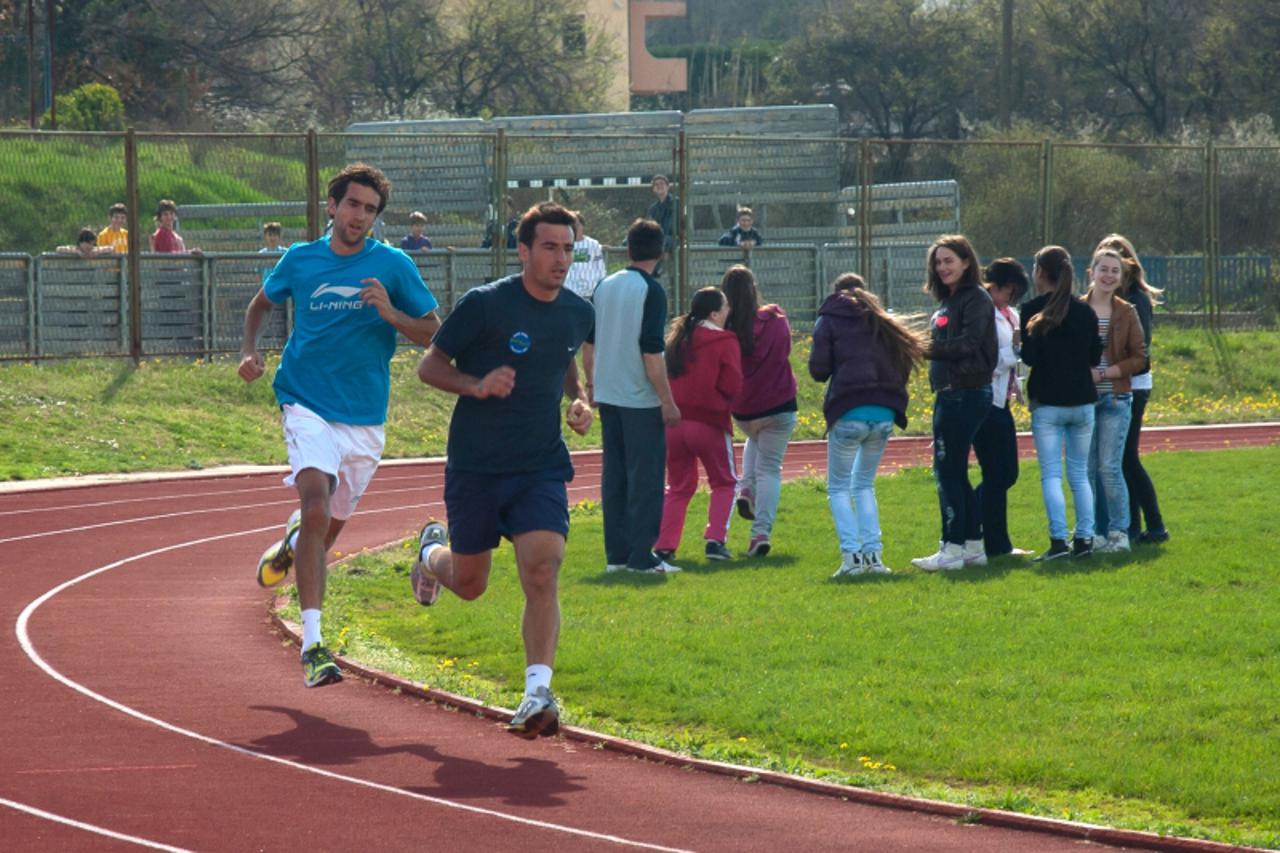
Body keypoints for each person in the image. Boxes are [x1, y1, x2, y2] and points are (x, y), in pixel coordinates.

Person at [238, 163, 441, 688]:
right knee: (314, 502)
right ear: (332, 206)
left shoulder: (393, 266)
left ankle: (292, 545)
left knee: (323, 533)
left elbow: (435, 336)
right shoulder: (301, 260)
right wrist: (249, 351)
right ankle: (313, 645)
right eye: (352, 205)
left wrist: (392, 314)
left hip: (364, 419)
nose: (359, 217)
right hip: (305, 400)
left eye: (370, 210)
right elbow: (261, 303)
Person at [412, 202, 594, 740]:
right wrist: (476, 384)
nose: (561, 259)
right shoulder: (484, 305)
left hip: (538, 464)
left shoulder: (579, 312)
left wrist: (579, 401)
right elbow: (429, 366)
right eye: (550, 247)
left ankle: (538, 692)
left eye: (568, 248)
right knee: (470, 585)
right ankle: (428, 553)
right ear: (523, 250)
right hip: (476, 466)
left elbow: (562, 360)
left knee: (543, 570)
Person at [581, 218, 681, 574]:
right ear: (662, 253)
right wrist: (667, 400)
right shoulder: (651, 291)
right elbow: (652, 351)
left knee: (616, 477)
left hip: (608, 392)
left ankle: (617, 556)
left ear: (627, 249)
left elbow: (589, 342)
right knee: (647, 477)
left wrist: (592, 384)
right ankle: (642, 556)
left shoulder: (605, 285)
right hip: (639, 396)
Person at [809, 274, 924, 577]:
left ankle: (852, 558)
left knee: (838, 488)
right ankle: (874, 556)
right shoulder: (881, 320)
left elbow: (818, 370)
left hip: (849, 408)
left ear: (836, 294)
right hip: (884, 411)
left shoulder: (829, 319)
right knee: (864, 485)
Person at [911, 235, 997, 572]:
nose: (942, 267)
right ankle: (973, 547)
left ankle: (951, 548)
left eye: (949, 260)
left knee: (946, 471)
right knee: (956, 471)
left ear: (966, 262)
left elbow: (969, 343)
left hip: (963, 393)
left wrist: (923, 347)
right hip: (955, 392)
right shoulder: (951, 300)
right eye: (938, 261)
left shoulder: (975, 298)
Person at [1019, 245, 1102, 561]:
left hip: (1048, 401)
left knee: (1051, 474)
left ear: (1040, 273)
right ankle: (1085, 539)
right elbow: (1095, 355)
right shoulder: (1085, 311)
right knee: (1079, 475)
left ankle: (1058, 541)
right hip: (1082, 400)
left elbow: (1029, 357)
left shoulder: (1032, 311)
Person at [654, 287, 743, 562]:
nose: (729, 312)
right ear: (715, 313)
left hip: (674, 423)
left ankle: (665, 545)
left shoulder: (677, 340)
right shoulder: (725, 340)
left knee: (679, 486)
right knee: (724, 482)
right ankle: (715, 540)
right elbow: (732, 383)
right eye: (725, 307)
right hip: (709, 422)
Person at [1096, 233, 1169, 544]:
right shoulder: (1117, 299)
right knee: (1123, 458)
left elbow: (1141, 349)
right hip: (1124, 381)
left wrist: (1112, 367)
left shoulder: (1133, 300)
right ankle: (1135, 526)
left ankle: (1153, 525)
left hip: (1132, 383)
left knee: (1125, 458)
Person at [722, 264, 797, 558]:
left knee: (754, 439)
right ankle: (760, 533)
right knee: (770, 468)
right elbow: (786, 350)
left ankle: (746, 489)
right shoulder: (776, 318)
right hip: (778, 403)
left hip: (744, 409)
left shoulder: (726, 329)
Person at [1084, 247, 1147, 554]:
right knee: (1089, 468)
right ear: (1091, 272)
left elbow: (1140, 357)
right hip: (1083, 401)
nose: (1108, 275)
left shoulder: (1127, 311)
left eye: (1115, 271)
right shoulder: (1076, 310)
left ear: (1121, 277)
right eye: (1103, 269)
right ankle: (1094, 533)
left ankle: (1118, 533)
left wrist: (1108, 372)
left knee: (1109, 467)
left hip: (1116, 400)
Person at [971, 258, 1032, 559]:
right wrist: (1015, 351)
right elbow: (989, 360)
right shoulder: (983, 313)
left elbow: (1009, 360)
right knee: (998, 474)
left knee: (1005, 474)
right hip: (983, 401)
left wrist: (1017, 383)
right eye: (1006, 289)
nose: (1009, 296)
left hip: (1001, 400)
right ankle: (993, 541)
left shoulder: (1010, 315)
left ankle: (981, 528)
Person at [564, 211, 607, 301]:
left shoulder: (593, 244)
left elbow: (600, 269)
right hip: (570, 291)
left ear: (582, 226)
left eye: (577, 225)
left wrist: (600, 288)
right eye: (572, 225)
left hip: (590, 294)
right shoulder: (565, 245)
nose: (575, 228)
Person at [646, 175, 678, 275]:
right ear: (653, 189)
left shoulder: (676, 202)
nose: (659, 186)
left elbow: (674, 226)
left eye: (662, 184)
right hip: (658, 238)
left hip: (673, 238)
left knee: (664, 242)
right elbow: (649, 226)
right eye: (656, 184)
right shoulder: (653, 209)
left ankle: (655, 270)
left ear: (668, 187)